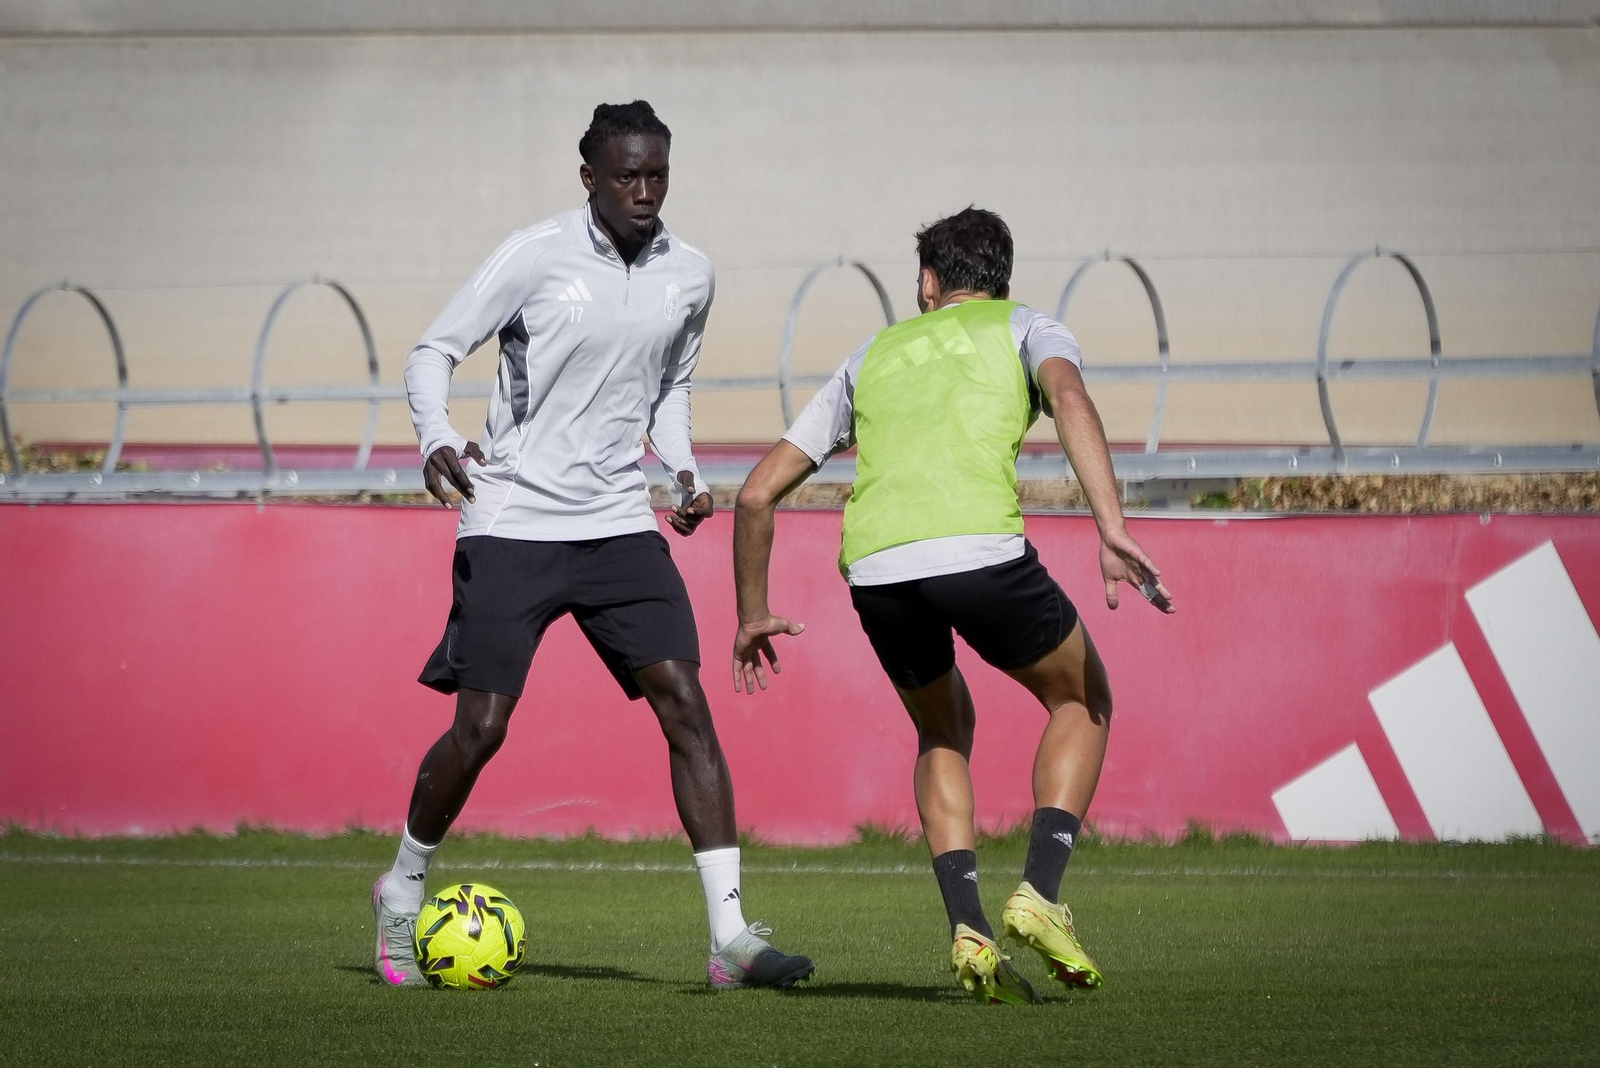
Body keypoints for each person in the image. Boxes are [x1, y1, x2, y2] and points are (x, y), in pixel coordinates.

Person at [372, 100, 813, 991]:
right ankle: (402, 885)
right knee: (482, 729)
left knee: (685, 702)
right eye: (626, 176)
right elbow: (434, 351)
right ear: (590, 178)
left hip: (617, 520)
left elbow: (670, 390)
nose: (644, 190)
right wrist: (433, 438)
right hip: (514, 519)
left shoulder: (690, 273)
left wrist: (682, 474)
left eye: (657, 175)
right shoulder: (533, 254)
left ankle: (731, 940)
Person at [730, 207, 1174, 1005]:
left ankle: (968, 928)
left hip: (877, 568)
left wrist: (751, 612)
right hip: (979, 553)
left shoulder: (872, 353)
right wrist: (1110, 525)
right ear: (999, 278)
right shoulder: (1029, 326)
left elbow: (758, 495)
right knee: (1082, 697)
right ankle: (1037, 893)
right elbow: (1070, 398)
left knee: (942, 727)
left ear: (929, 284)